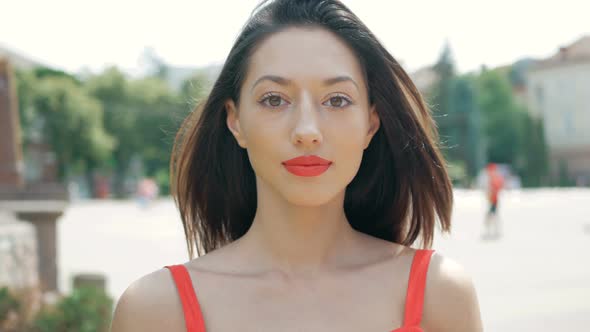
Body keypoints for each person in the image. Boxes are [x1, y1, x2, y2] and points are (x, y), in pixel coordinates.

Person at [111, 0, 482, 331]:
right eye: (274, 99)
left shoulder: (439, 295)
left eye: (337, 100)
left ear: (370, 124)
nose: (307, 131)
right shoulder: (155, 310)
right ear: (235, 121)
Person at [483, 163, 504, 239]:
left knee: (491, 217)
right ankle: (494, 231)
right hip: (493, 200)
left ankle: (493, 232)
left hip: (494, 201)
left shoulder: (494, 178)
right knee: (493, 216)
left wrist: (490, 193)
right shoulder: (493, 178)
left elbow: (495, 190)